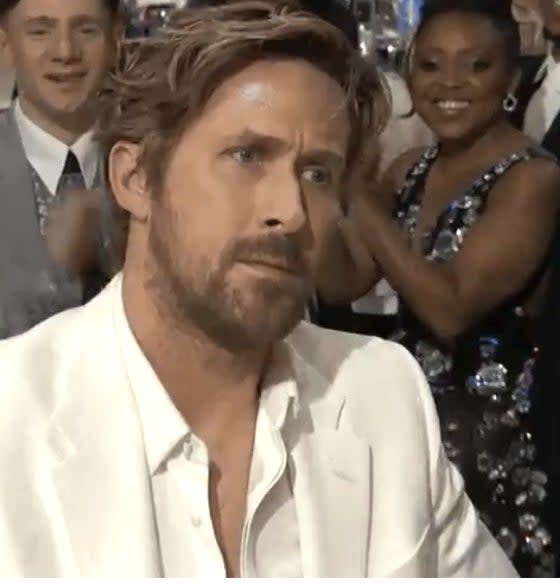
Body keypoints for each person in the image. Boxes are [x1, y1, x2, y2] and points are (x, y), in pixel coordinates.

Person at [0, 2, 517, 577]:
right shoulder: (14, 417)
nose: (291, 212)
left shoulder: (381, 396)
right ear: (135, 179)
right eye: (247, 156)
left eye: (317, 174)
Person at [323, 0, 560, 576]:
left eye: (474, 66)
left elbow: (449, 307)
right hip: (411, 439)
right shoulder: (409, 169)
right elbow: (344, 280)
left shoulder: (533, 178)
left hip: (501, 453)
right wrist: (316, 188)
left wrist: (360, 194)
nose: (449, 83)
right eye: (430, 65)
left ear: (509, 78)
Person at [0, 0, 122, 337]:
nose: (66, 51)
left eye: (86, 30)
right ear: (5, 43)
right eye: (40, 31)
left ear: (117, 38)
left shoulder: (163, 166)